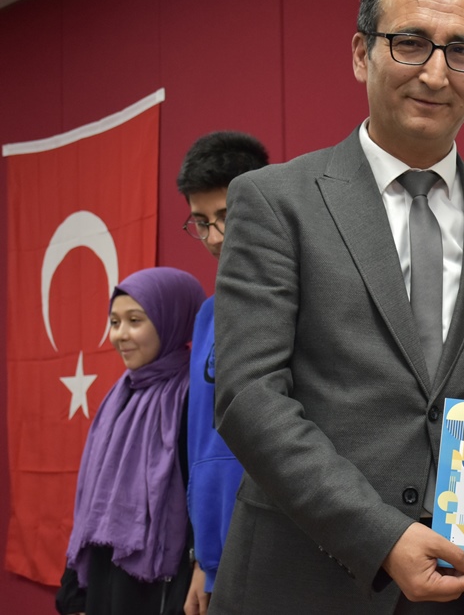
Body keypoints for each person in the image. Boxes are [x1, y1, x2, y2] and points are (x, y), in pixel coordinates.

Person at [209, 0, 464, 615]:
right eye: (410, 43)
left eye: (461, 51)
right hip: (308, 578)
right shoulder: (275, 201)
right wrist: (379, 534)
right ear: (362, 53)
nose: (435, 72)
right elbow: (249, 395)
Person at [56, 267, 207, 615]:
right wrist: (76, 593)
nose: (119, 335)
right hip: (105, 582)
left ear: (172, 318)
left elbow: (204, 495)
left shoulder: (193, 396)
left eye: (135, 320)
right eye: (114, 322)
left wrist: (204, 566)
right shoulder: (119, 396)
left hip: (163, 587)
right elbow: (92, 503)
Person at [176, 131, 269, 615]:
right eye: (201, 222)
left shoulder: (305, 299)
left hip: (287, 549)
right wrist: (203, 557)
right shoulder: (208, 315)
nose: (213, 237)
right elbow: (202, 441)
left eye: (226, 217)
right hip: (217, 554)